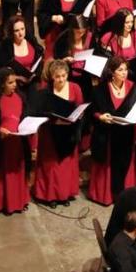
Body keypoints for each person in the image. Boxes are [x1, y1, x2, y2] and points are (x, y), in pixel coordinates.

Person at [31, 60, 84, 206]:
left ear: (67, 74)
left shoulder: (75, 88)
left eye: (63, 76)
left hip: (69, 133)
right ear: (52, 77)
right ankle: (50, 196)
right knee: (52, 167)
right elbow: (40, 113)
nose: (61, 79)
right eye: (57, 77)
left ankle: (64, 195)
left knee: (65, 167)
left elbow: (80, 109)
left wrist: (78, 116)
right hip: (50, 133)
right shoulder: (46, 92)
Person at [90, 56, 136, 205]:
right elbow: (92, 111)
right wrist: (100, 117)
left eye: (125, 69)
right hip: (108, 135)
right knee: (109, 164)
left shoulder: (132, 86)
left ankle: (123, 195)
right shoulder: (101, 89)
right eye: (120, 70)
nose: (124, 73)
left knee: (124, 163)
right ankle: (107, 195)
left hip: (126, 133)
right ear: (112, 72)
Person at [0, 68, 33, 215]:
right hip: (3, 143)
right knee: (2, 173)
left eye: (15, 82)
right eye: (10, 83)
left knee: (18, 171)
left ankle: (18, 202)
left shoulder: (21, 97)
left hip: (18, 142)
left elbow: (26, 116)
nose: (14, 85)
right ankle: (2, 204)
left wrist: (26, 127)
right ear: (1, 85)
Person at [0, 15, 44, 91]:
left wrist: (35, 74)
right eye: (16, 30)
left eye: (22, 29)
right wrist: (18, 78)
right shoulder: (4, 47)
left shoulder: (31, 40)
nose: (21, 33)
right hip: (14, 84)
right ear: (11, 32)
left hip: (33, 81)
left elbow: (40, 57)